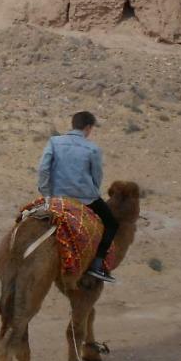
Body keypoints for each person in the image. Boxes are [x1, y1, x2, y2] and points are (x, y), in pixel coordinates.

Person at [36, 111, 118, 283]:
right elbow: (97, 177)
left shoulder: (54, 142)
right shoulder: (93, 148)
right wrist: (92, 191)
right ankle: (97, 265)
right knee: (111, 223)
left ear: (73, 124)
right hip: (85, 199)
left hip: (57, 198)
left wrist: (46, 194)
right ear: (88, 128)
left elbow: (43, 169)